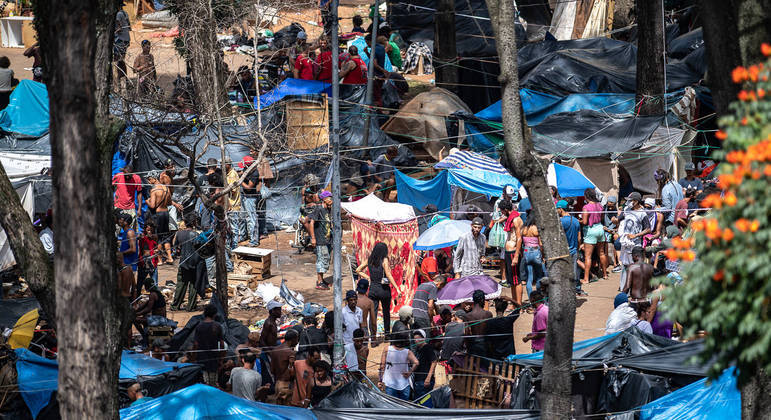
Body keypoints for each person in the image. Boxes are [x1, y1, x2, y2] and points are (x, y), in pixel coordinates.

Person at [357, 242, 397, 340]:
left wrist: (368, 277)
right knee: (386, 312)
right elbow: (388, 274)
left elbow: (358, 270)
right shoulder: (384, 259)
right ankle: (387, 334)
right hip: (384, 290)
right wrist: (397, 288)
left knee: (373, 314)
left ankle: (373, 336)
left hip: (373, 290)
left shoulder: (370, 260)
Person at [618, 192, 651, 292]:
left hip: (635, 244)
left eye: (630, 200)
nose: (628, 202)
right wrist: (615, 219)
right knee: (625, 265)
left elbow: (648, 229)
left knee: (635, 265)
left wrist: (635, 235)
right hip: (626, 243)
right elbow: (619, 220)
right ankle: (624, 286)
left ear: (636, 201)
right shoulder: (626, 210)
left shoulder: (642, 213)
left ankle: (635, 288)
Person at [147, 171, 179, 264]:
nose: (149, 182)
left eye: (149, 179)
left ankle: (160, 260)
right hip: (166, 213)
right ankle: (169, 257)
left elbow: (152, 206)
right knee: (166, 236)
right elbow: (169, 203)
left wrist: (147, 201)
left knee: (159, 237)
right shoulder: (166, 188)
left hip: (159, 215)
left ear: (154, 178)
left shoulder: (153, 190)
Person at [171, 214, 200, 311]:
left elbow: (176, 247)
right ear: (193, 223)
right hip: (194, 263)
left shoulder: (179, 234)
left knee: (181, 284)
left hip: (183, 262)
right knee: (193, 285)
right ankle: (191, 306)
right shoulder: (196, 235)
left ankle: (175, 305)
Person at [379, 331, 418, 400]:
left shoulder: (387, 349)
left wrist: (380, 380)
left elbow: (382, 366)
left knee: (392, 407)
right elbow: (416, 362)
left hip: (390, 384)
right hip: (404, 385)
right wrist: (410, 372)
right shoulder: (408, 352)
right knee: (403, 407)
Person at [556, 200, 584, 296]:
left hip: (562, 251)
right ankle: (575, 290)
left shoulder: (560, 222)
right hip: (573, 250)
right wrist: (577, 247)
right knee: (574, 272)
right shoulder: (576, 221)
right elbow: (579, 238)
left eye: (557, 209)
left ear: (561, 209)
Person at [581, 189, 608, 283]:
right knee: (601, 253)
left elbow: (584, 222)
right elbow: (601, 218)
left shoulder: (586, 207)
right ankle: (605, 274)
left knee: (588, 256)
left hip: (590, 230)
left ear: (586, 196)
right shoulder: (600, 206)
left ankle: (586, 278)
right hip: (600, 229)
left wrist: (578, 220)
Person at [193, 304, 224, 386]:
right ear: (214, 314)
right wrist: (221, 359)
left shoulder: (199, 326)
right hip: (214, 358)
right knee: (213, 383)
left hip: (202, 358)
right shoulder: (217, 326)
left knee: (204, 382)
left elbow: (195, 344)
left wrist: (194, 356)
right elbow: (222, 344)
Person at [310, 191, 333, 290]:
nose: (331, 200)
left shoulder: (328, 210)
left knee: (326, 259)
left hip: (327, 239)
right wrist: (313, 238)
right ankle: (319, 282)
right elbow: (311, 223)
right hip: (320, 239)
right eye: (329, 198)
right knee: (321, 260)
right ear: (324, 199)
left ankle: (322, 280)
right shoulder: (318, 209)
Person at [520, 211, 546, 298]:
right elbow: (541, 244)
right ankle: (538, 297)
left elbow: (520, 242)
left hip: (526, 251)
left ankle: (531, 300)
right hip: (536, 251)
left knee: (529, 278)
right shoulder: (536, 228)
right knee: (539, 276)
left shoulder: (523, 228)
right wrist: (543, 255)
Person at [133, 277, 167, 345]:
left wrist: (136, 314)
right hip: (160, 318)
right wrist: (136, 310)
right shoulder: (157, 293)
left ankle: (144, 337)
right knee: (144, 317)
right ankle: (147, 336)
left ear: (147, 286)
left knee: (134, 320)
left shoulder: (152, 294)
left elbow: (148, 309)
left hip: (158, 320)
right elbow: (145, 304)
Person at [270, 328, 298, 405]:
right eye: (297, 339)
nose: (297, 342)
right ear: (293, 339)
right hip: (287, 385)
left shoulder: (274, 350)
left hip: (277, 383)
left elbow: (272, 370)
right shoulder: (291, 353)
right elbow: (292, 373)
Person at [239, 156, 263, 246]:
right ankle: (243, 235)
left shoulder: (254, 173)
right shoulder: (248, 170)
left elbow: (249, 187)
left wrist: (240, 181)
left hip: (250, 197)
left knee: (252, 219)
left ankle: (254, 241)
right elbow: (242, 172)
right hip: (245, 196)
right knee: (242, 217)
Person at [464, 290, 493, 357]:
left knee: (474, 365)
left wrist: (468, 348)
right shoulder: (488, 314)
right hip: (485, 344)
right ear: (482, 300)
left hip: (473, 344)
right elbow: (490, 332)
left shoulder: (468, 316)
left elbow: (467, 333)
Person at [412, 329, 440, 399]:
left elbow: (434, 362)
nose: (416, 341)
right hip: (419, 380)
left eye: (418, 338)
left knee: (424, 402)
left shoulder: (427, 348)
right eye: (415, 339)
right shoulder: (419, 349)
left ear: (423, 338)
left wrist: (428, 378)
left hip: (425, 381)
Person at [342, 290, 364, 368]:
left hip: (358, 341)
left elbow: (360, 325)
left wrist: (362, 338)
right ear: (347, 301)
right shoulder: (343, 312)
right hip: (347, 341)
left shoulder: (359, 311)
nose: (353, 302)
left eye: (355, 300)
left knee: (360, 362)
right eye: (351, 300)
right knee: (350, 364)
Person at [137, 220, 160, 291]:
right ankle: (136, 297)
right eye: (148, 230)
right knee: (140, 283)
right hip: (143, 263)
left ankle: (156, 297)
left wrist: (157, 251)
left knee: (154, 284)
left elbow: (156, 249)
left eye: (151, 230)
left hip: (153, 262)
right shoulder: (142, 237)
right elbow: (145, 251)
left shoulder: (155, 237)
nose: (149, 232)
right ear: (145, 229)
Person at [602, 196, 621, 272]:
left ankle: (616, 263)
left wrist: (612, 230)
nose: (610, 208)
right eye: (608, 206)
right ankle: (605, 262)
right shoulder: (604, 211)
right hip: (604, 229)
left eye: (612, 207)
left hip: (612, 231)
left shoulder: (617, 213)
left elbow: (618, 227)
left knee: (616, 238)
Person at [114, 6, 131, 86]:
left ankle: (118, 81)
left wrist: (113, 33)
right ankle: (124, 79)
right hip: (126, 39)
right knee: (121, 60)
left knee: (116, 61)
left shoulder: (118, 14)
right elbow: (129, 27)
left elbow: (119, 28)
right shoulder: (125, 13)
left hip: (120, 40)